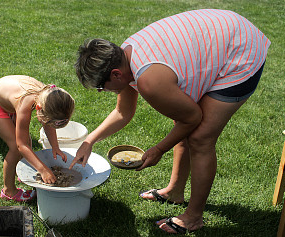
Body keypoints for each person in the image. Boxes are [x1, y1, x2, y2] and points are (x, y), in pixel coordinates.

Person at [70, 9, 270, 234]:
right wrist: (90, 141)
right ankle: (175, 191)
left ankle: (194, 217)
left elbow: (193, 118)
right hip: (221, 35)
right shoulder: (124, 55)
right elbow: (123, 112)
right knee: (183, 122)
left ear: (115, 74)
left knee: (200, 138)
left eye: (100, 87)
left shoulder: (149, 81)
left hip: (240, 49)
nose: (102, 91)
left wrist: (158, 150)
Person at [0, 75, 75, 202]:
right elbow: (21, 145)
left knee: (27, 140)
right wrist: (42, 169)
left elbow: (47, 122)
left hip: (9, 98)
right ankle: (8, 191)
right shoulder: (25, 103)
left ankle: (21, 171)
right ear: (39, 108)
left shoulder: (50, 98)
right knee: (15, 147)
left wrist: (55, 146)